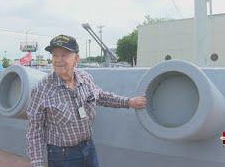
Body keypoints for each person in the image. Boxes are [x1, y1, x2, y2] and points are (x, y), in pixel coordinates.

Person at [26, 34, 147, 167]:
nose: (58, 60)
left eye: (64, 55)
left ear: (76, 58)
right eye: (55, 55)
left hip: (88, 148)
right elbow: (35, 131)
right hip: (61, 155)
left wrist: (129, 102)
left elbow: (100, 96)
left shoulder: (85, 78)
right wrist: (37, 163)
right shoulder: (41, 89)